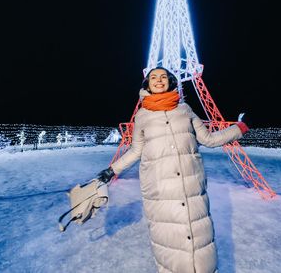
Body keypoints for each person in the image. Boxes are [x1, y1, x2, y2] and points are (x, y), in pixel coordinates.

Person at [97, 67, 249, 273]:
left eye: (163, 77)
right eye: (153, 78)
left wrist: (239, 128)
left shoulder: (185, 110)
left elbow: (209, 139)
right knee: (169, 247)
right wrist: (111, 170)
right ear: (147, 84)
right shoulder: (142, 116)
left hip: (191, 186)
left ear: (170, 81)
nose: (159, 80)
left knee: (200, 245)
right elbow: (135, 151)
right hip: (160, 191)